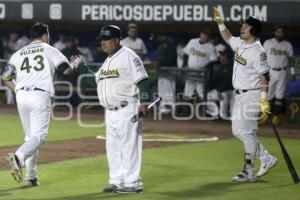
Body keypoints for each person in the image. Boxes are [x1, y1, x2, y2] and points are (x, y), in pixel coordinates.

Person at [74, 25, 149, 193]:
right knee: (113, 148)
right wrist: (81, 67)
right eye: (101, 40)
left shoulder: (129, 56)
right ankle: (117, 181)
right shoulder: (108, 61)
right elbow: (94, 80)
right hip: (110, 112)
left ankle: (133, 183)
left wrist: (144, 102)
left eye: (106, 40)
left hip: (127, 108)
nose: (103, 43)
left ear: (116, 40)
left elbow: (143, 80)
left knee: (129, 147)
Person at [2, 22, 76, 186]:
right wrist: (75, 64)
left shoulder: (18, 53)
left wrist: (18, 91)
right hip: (39, 95)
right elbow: (66, 70)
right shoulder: (48, 49)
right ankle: (19, 157)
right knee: (39, 137)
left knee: (30, 137)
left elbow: (6, 77)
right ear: (45, 35)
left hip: (21, 96)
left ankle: (31, 177)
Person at [213, 8, 277, 182]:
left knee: (246, 132)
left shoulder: (259, 52)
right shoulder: (240, 43)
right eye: (243, 24)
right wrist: (220, 23)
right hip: (240, 95)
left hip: (252, 95)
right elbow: (227, 37)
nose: (242, 27)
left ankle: (248, 171)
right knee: (238, 131)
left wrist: (264, 100)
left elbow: (265, 76)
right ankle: (266, 157)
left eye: (246, 26)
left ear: (254, 31)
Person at [263, 26, 295, 124]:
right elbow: (262, 57)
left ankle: (275, 116)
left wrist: (292, 72)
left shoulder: (288, 45)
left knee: (280, 95)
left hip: (283, 71)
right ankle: (265, 116)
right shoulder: (268, 43)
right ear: (274, 32)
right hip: (270, 71)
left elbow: (291, 60)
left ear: (284, 33)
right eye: (278, 32)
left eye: (281, 32)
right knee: (268, 95)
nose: (280, 33)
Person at [183, 30, 217, 100]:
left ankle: (204, 109)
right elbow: (186, 53)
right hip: (191, 70)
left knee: (201, 92)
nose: (205, 36)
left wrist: (204, 68)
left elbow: (213, 61)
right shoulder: (192, 41)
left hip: (202, 72)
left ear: (209, 37)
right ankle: (186, 110)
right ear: (200, 34)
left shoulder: (210, 47)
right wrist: (184, 64)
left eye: (207, 35)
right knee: (187, 92)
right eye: (204, 34)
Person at [150, 31, 177, 114]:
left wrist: (159, 62)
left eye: (156, 38)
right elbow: (160, 57)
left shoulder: (170, 43)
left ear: (161, 36)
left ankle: (171, 109)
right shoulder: (161, 44)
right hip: (162, 72)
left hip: (169, 71)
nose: (155, 41)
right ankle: (164, 108)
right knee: (161, 90)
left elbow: (171, 58)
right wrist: (155, 61)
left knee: (169, 90)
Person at [206, 49, 234, 119]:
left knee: (224, 96)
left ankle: (223, 116)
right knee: (209, 95)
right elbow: (215, 81)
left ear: (227, 57)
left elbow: (228, 81)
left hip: (231, 91)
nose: (220, 57)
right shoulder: (219, 66)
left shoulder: (231, 67)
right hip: (223, 90)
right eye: (221, 55)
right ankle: (215, 114)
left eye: (223, 55)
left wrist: (220, 90)